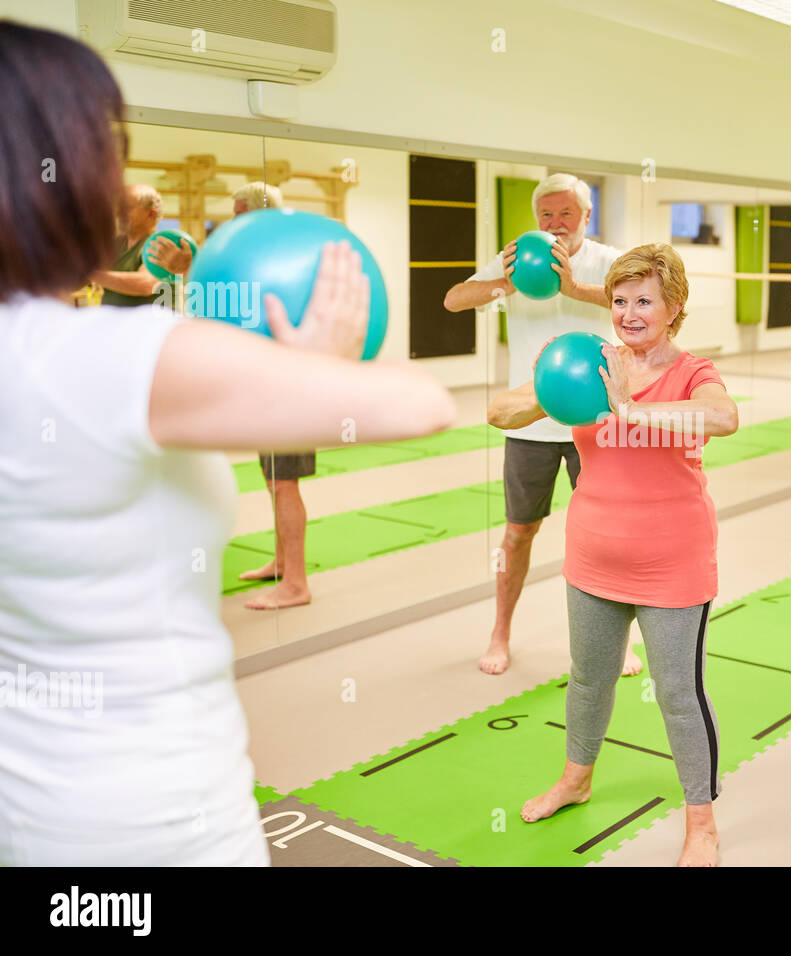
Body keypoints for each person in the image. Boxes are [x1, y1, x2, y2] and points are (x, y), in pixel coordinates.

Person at [0, 21, 457, 865]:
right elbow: (419, 402)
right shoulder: (107, 355)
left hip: (26, 813)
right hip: (152, 822)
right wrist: (309, 369)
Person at [486, 244, 738, 867]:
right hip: (593, 558)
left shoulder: (693, 372)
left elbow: (723, 418)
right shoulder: (592, 362)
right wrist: (551, 393)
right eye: (620, 300)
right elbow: (497, 410)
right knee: (589, 679)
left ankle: (700, 822)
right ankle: (576, 778)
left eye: (643, 301)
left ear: (674, 308)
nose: (628, 313)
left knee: (679, 693)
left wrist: (629, 408)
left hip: (673, 562)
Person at [445, 174, 637, 676]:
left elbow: (636, 307)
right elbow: (454, 299)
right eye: (547, 214)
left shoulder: (608, 260)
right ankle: (500, 633)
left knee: (609, 534)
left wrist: (573, 287)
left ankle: (622, 642)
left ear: (586, 217)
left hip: (594, 424)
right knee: (517, 534)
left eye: (566, 213)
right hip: (529, 425)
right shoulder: (517, 256)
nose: (555, 224)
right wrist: (503, 284)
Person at [153, 182, 320, 610]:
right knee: (273, 479)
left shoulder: (279, 255)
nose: (231, 220)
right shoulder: (261, 255)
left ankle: (297, 584)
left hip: (289, 385)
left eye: (236, 212)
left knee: (284, 483)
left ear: (249, 212)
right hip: (269, 382)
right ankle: (283, 563)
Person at [91, 183, 166, 307]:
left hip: (150, 324)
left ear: (151, 214)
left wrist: (92, 274)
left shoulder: (162, 244)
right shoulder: (114, 244)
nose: (119, 213)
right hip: (114, 323)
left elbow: (146, 284)